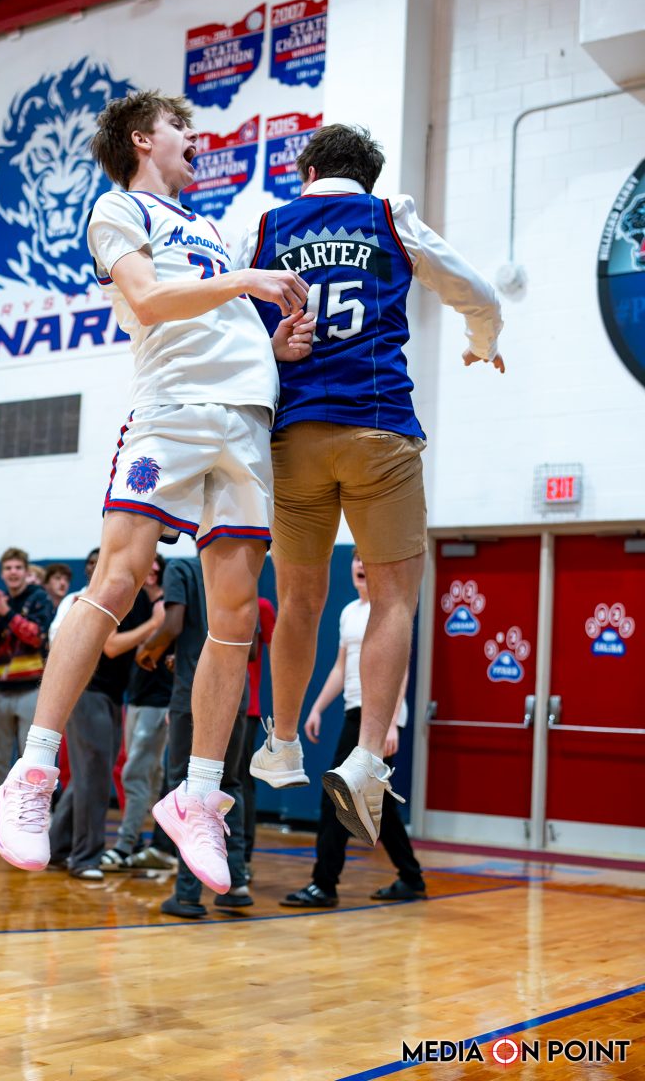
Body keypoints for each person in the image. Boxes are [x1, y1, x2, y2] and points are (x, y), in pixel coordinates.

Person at [0, 88, 313, 894]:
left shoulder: (206, 227)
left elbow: (216, 319)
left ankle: (198, 797)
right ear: (142, 139)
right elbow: (148, 299)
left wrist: (271, 345)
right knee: (118, 579)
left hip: (246, 419)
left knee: (235, 616)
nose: (192, 138)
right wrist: (246, 280)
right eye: (179, 126)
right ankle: (32, 773)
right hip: (172, 413)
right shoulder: (118, 209)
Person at [244, 123, 504, 846]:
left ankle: (283, 745)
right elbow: (478, 293)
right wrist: (482, 343)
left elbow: (225, 327)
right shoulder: (392, 215)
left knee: (298, 601)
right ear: (368, 175)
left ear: (308, 169)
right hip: (379, 426)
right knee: (393, 599)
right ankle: (365, 762)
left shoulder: (263, 229)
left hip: (293, 434)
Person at [281, 552, 426, 908]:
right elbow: (339, 667)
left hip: (378, 718)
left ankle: (324, 884)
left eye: (367, 559)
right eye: (356, 559)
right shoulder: (348, 612)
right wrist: (317, 707)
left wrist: (392, 723)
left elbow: (402, 670)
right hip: (353, 713)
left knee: (338, 796)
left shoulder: (388, 609)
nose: (360, 565)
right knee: (376, 802)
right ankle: (411, 877)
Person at [136, 554, 251, 917]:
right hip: (236, 696)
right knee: (229, 785)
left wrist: (149, 649)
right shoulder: (242, 564)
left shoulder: (181, 568)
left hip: (193, 696)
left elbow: (172, 623)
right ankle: (235, 883)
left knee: (186, 789)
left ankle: (187, 893)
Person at [49, 556, 162, 880]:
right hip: (88, 692)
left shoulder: (140, 599)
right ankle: (85, 859)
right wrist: (155, 624)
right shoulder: (104, 596)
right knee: (92, 778)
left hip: (111, 695)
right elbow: (111, 646)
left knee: (89, 775)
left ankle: (56, 847)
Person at [100, 556, 174, 869]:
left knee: (135, 774)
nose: (152, 569)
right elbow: (115, 647)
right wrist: (153, 626)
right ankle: (160, 846)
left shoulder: (173, 604)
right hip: (137, 698)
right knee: (150, 775)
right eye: (149, 563)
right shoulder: (140, 605)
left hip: (160, 702)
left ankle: (126, 844)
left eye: (157, 564)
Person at [0, 547, 54, 836]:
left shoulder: (39, 598)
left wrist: (6, 613)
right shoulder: (1, 602)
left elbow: (37, 637)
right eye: (8, 568)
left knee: (31, 761)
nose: (12, 572)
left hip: (30, 690)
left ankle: (33, 822)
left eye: (17, 568)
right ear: (2, 573)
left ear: (26, 571)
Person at [241, 596, 276, 875]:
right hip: (212, 707)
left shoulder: (261, 606)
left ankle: (242, 855)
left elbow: (279, 653)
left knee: (240, 781)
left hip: (246, 709)